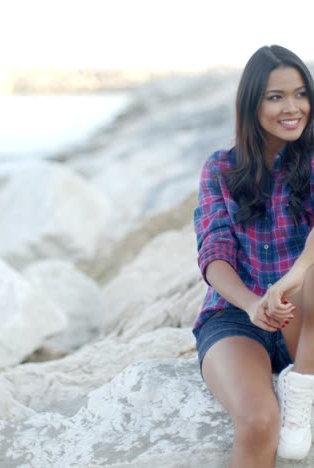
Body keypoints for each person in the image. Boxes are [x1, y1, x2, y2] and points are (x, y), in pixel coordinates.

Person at [193, 44, 314, 467]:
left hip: (307, 317)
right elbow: (214, 252)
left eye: (301, 94)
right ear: (251, 103)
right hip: (237, 316)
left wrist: (293, 276)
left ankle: (303, 380)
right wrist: (251, 304)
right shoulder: (220, 169)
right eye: (276, 96)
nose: (293, 107)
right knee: (260, 421)